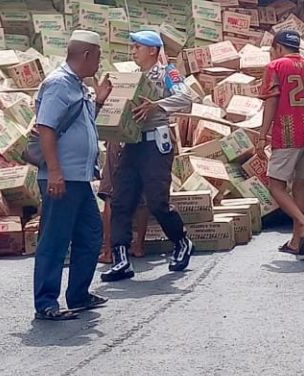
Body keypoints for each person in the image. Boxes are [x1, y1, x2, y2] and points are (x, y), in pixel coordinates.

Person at [101, 30, 195, 282]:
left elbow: (186, 98)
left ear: (153, 50)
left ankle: (181, 241)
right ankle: (121, 258)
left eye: (137, 47)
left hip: (156, 142)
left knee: (157, 201)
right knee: (121, 200)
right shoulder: (133, 78)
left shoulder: (167, 73)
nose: (133, 51)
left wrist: (158, 105)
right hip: (132, 143)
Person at [32, 30, 113, 321]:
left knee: (91, 235)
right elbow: (46, 128)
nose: (99, 63)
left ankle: (78, 294)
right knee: (55, 240)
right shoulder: (57, 84)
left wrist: (99, 102)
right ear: (87, 55)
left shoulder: (78, 86)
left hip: (78, 177)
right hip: (61, 177)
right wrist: (54, 172)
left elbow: (81, 122)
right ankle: (46, 303)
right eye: (99, 56)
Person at [258, 29, 304, 256]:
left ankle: (303, 222)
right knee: (300, 186)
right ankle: (296, 242)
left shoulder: (276, 67)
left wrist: (262, 135)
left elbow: (271, 102)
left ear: (278, 47)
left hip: (288, 133)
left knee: (276, 185)